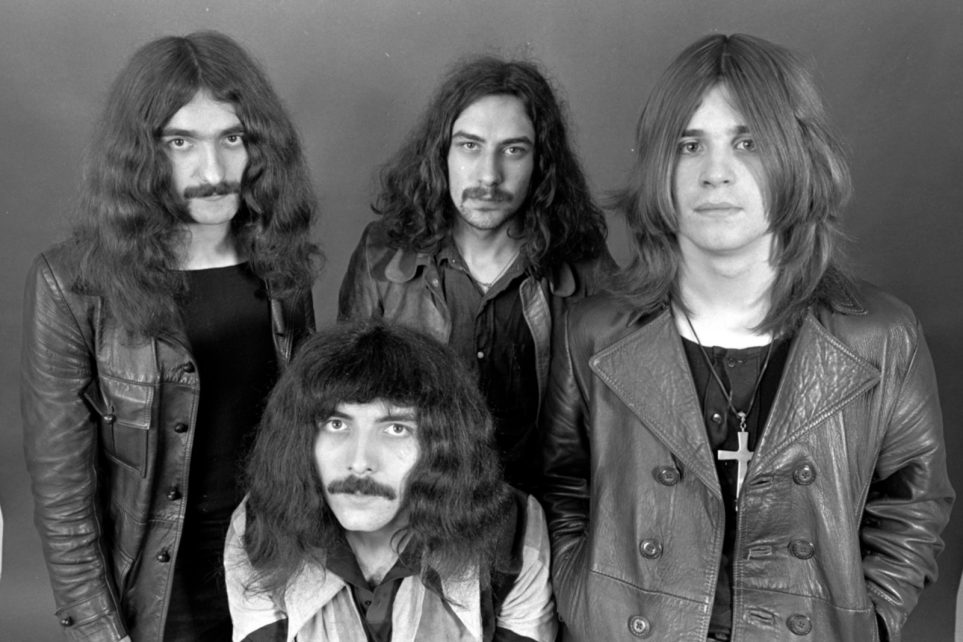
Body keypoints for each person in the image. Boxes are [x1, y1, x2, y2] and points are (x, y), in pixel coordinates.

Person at [539, 33, 953, 641]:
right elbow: (562, 486)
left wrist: (873, 624)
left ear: (797, 157)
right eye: (689, 145)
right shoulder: (593, 332)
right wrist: (584, 598)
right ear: (659, 168)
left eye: (748, 142)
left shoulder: (882, 335)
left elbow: (913, 502)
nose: (715, 174)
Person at [21, 31, 319, 641]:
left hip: (274, 573)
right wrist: (102, 634)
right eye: (180, 142)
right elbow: (65, 505)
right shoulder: (72, 284)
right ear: (141, 154)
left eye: (232, 138)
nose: (213, 172)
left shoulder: (280, 267)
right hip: (157, 591)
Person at [338, 56, 612, 495]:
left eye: (513, 150)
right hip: (417, 507)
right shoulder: (381, 255)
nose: (489, 175)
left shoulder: (586, 267)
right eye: (470, 146)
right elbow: (350, 405)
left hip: (539, 512)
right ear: (441, 153)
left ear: (541, 162)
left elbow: (613, 427)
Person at [225, 321, 557, 641]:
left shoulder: (510, 532)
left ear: (444, 444)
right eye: (336, 424)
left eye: (396, 429)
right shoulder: (261, 526)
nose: (359, 463)